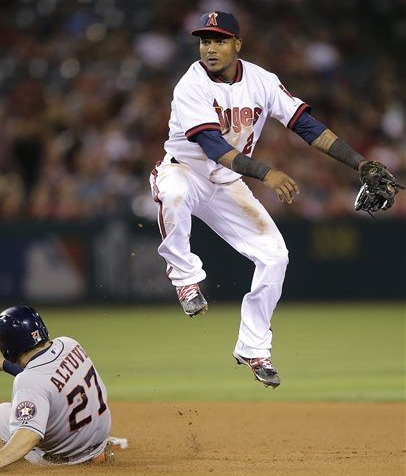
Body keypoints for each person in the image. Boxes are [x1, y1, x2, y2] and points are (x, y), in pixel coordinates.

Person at [149, 11, 402, 388]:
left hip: (227, 182)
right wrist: (267, 173)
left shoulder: (262, 81)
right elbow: (213, 146)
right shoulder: (191, 84)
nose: (210, 48)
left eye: (219, 40)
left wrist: (359, 162)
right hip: (183, 169)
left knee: (275, 256)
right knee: (174, 192)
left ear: (238, 44)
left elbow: (306, 126)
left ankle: (253, 347)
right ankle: (185, 279)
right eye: (205, 41)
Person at [0, 305, 112, 468]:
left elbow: (29, 435)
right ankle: (96, 452)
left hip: (65, 459)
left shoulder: (28, 382)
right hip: (97, 442)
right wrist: (5, 365)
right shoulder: (69, 344)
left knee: (4, 412)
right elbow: (46, 378)